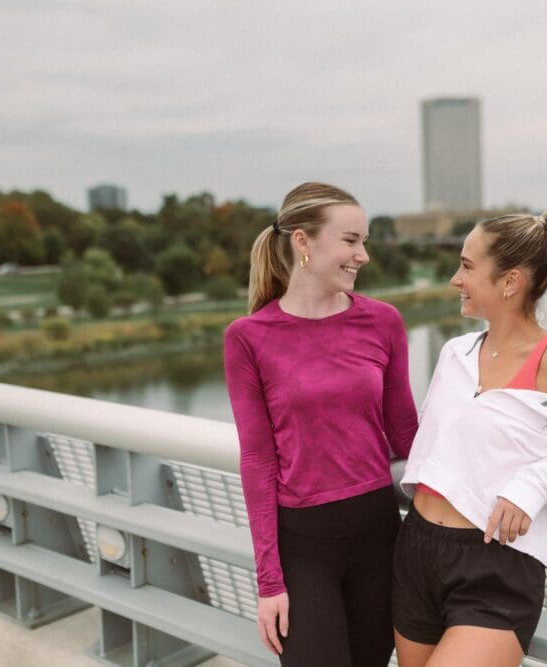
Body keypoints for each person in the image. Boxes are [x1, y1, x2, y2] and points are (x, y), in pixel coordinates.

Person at [394, 210, 547, 667]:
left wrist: (533, 485)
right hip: (415, 551)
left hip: (496, 566)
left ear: (510, 281)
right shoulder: (454, 353)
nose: (456, 278)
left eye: (467, 266)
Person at [223, 182, 418, 666]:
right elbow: (257, 459)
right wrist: (269, 581)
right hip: (302, 546)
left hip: (377, 533)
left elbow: (408, 436)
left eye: (365, 242)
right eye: (351, 240)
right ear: (303, 242)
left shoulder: (383, 322)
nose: (363, 256)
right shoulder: (248, 338)